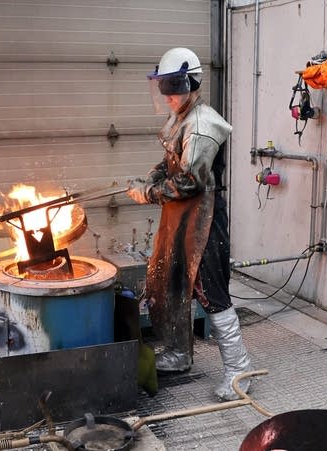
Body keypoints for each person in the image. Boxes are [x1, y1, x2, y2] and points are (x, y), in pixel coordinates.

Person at [127, 48, 252, 401]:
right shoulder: (181, 115)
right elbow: (172, 161)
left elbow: (189, 182)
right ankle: (180, 353)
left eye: (174, 87)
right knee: (174, 283)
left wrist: (148, 192)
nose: (168, 95)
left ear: (192, 83)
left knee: (211, 293)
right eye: (164, 87)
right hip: (181, 217)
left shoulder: (202, 123)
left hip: (204, 220)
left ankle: (238, 368)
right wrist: (154, 173)